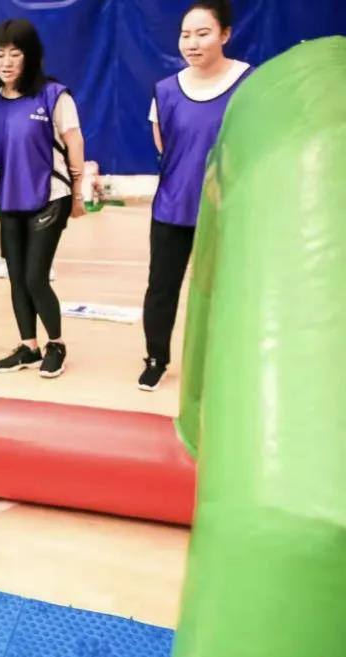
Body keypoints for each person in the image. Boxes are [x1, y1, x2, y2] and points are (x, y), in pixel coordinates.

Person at [140, 0, 251, 391]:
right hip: (172, 209)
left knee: (223, 290)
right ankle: (155, 357)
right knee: (161, 288)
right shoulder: (165, 90)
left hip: (226, 213)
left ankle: (223, 361)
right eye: (186, 34)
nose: (192, 42)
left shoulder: (249, 84)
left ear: (224, 35)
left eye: (203, 33)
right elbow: (165, 147)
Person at [0, 20, 86, 379]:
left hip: (51, 195)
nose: (6, 62)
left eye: (14, 53)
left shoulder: (54, 95)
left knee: (35, 277)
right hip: (11, 200)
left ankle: (56, 344)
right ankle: (28, 346)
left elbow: (74, 142)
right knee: (16, 277)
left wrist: (78, 191)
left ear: (30, 56)